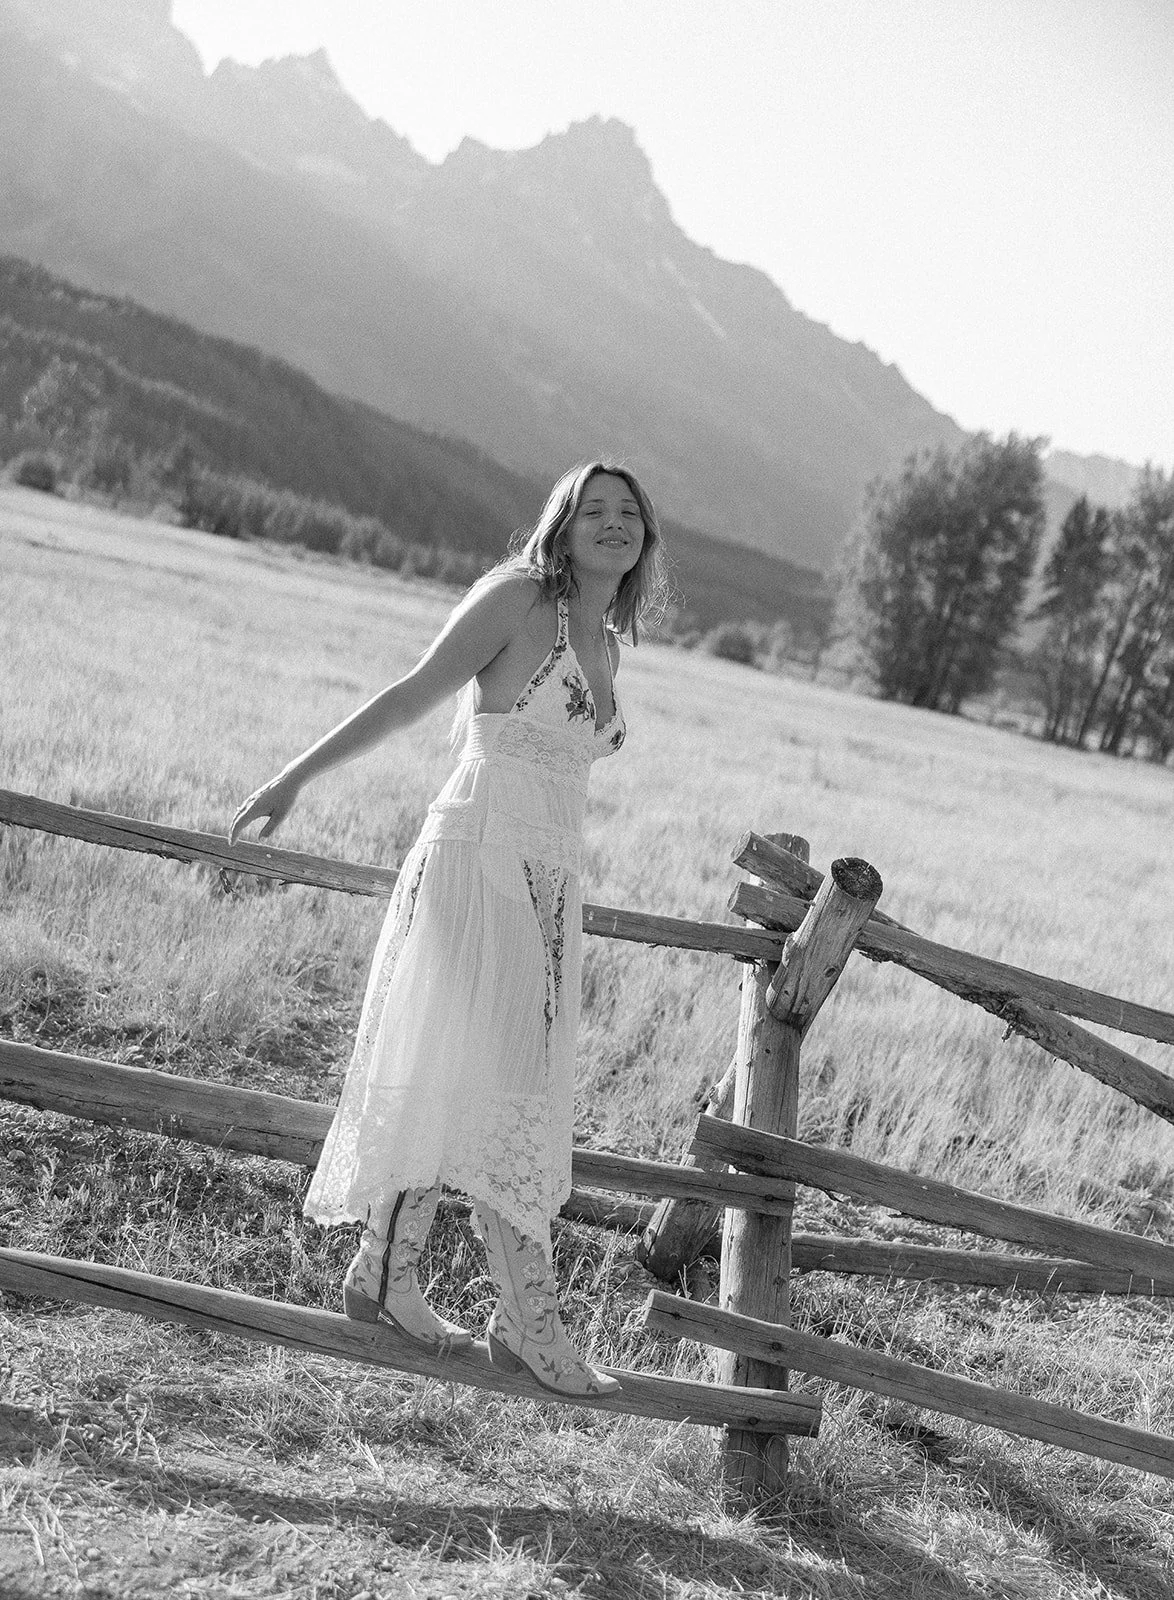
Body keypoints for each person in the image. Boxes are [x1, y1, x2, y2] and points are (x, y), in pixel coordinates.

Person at [229, 461, 666, 1398]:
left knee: (478, 1072)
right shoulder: (518, 601)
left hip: (549, 879)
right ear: (561, 522)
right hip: (478, 856)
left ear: (645, 540)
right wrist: (296, 778)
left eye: (629, 512)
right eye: (593, 508)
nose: (613, 523)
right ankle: (528, 1323)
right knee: (510, 1087)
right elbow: (415, 689)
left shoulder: (606, 641)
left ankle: (384, 1273)